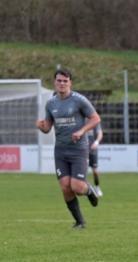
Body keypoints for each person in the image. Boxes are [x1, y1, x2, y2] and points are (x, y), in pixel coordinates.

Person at [36, 68, 101, 229]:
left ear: (70, 82)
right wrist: (41, 126)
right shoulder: (51, 103)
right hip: (60, 150)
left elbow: (95, 118)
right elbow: (48, 127)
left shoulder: (79, 100)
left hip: (78, 149)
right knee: (65, 186)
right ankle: (80, 222)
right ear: (55, 82)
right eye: (59, 80)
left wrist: (81, 131)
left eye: (65, 81)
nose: (62, 83)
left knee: (77, 187)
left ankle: (89, 190)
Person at [87, 122, 104, 197]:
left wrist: (96, 142)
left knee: (95, 171)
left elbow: (100, 133)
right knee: (82, 170)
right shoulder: (79, 119)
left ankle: (97, 187)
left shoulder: (94, 121)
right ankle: (86, 189)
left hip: (92, 149)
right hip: (81, 149)